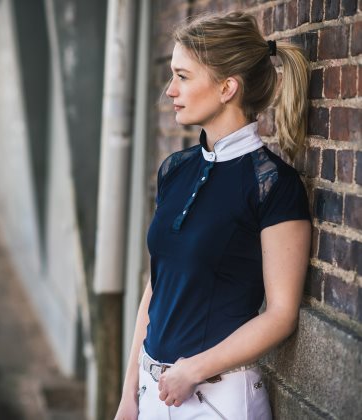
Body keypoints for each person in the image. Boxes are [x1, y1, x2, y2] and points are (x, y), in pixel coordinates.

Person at [115, 10, 311, 420]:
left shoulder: (273, 184)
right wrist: (129, 394)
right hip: (153, 392)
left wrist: (194, 369)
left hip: (218, 401)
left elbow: (281, 315)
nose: (170, 90)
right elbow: (157, 286)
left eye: (183, 76)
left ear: (227, 88)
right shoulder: (175, 169)